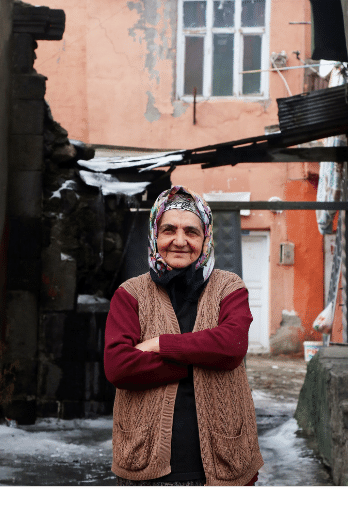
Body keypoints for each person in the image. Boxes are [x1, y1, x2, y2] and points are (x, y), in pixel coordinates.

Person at [104, 185, 264, 487]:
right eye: (169, 230)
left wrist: (159, 345)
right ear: (155, 235)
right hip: (145, 466)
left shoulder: (229, 288)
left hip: (225, 466)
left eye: (191, 231)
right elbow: (118, 366)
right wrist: (200, 360)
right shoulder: (130, 294)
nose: (180, 241)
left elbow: (231, 346)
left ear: (206, 238)